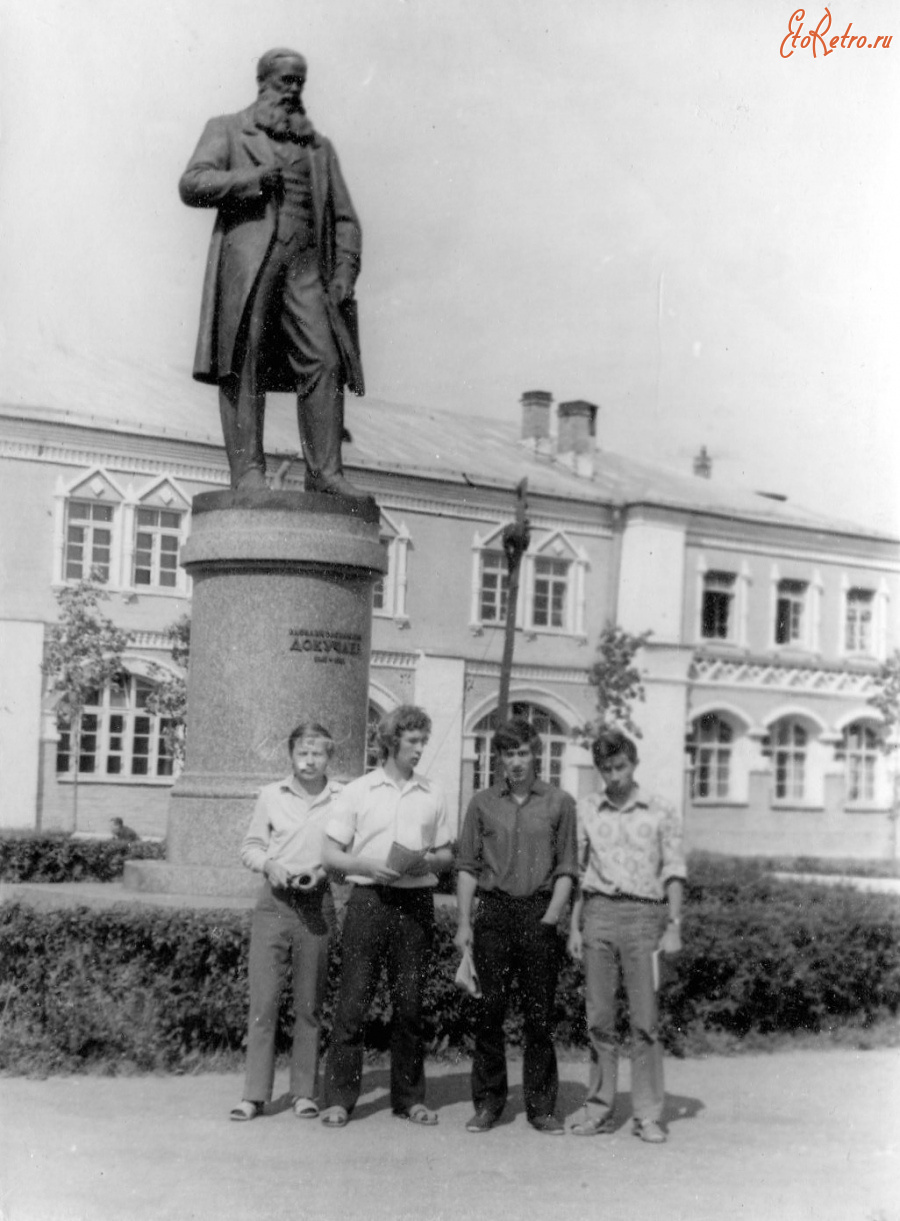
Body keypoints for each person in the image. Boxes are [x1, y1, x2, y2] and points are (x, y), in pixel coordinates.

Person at [179, 48, 365, 498]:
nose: (293, 90)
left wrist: (343, 273)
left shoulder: (319, 149)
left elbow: (344, 219)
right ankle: (248, 473)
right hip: (250, 268)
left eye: (300, 82)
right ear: (263, 82)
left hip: (307, 269)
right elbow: (192, 183)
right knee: (243, 360)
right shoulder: (226, 129)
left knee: (325, 359)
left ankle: (325, 473)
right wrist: (250, 180)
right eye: (285, 81)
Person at [319, 705, 453, 1128]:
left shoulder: (434, 792)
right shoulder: (357, 791)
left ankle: (409, 1099)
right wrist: (366, 866)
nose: (419, 750)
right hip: (369, 901)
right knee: (353, 1003)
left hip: (415, 905)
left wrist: (426, 862)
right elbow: (330, 855)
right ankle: (340, 1099)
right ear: (392, 741)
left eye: (423, 742)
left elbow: (449, 854)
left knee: (410, 1006)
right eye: (413, 742)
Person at [455, 717, 578, 1135]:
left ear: (536, 755)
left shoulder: (560, 802)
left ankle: (542, 1107)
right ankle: (489, 1104)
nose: (517, 761)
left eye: (524, 752)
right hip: (494, 913)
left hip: (538, 913)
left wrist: (550, 916)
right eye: (510, 754)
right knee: (489, 1012)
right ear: (500, 759)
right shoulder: (482, 803)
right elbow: (467, 867)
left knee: (538, 1016)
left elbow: (567, 868)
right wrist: (463, 924)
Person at [566, 730, 686, 1144]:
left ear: (633, 764)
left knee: (645, 1021)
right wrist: (575, 926)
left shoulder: (661, 810)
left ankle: (648, 1114)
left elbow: (673, 870)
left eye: (620, 767)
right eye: (606, 769)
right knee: (599, 1018)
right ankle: (598, 1108)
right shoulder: (588, 809)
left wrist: (673, 924)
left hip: (644, 918)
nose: (614, 776)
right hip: (598, 914)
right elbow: (580, 873)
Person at [229, 721, 342, 1122]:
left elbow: (347, 853)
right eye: (302, 753)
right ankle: (254, 1095)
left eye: (318, 753)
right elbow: (250, 847)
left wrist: (325, 873)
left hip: (316, 907)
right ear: (291, 755)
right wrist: (270, 864)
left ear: (330, 757)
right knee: (264, 1003)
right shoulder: (271, 795)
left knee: (309, 1005)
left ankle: (303, 1093)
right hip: (274, 905)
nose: (309, 761)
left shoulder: (342, 798)